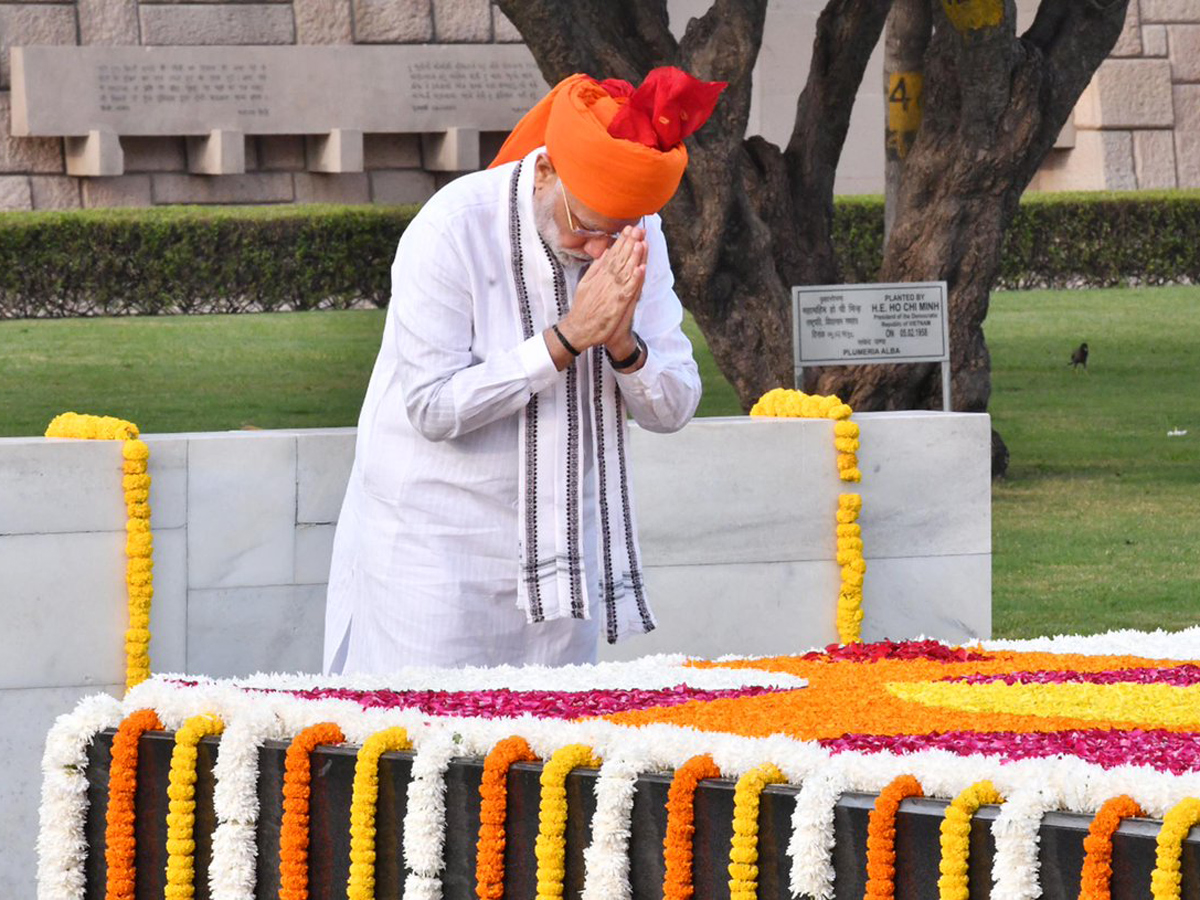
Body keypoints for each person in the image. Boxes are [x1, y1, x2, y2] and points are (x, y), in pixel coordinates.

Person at [322, 67, 726, 673]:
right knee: (424, 753)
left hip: (565, 564)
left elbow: (674, 405)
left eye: (614, 235)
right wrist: (565, 341)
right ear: (545, 173)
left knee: (551, 756)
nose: (597, 250)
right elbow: (433, 406)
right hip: (434, 557)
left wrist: (622, 347)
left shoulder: (638, 238)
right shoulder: (451, 227)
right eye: (587, 228)